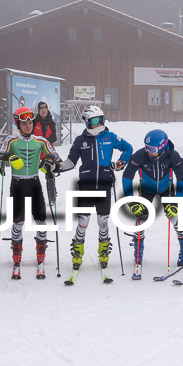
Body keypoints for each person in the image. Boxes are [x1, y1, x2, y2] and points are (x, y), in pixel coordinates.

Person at [60, 106, 133, 273]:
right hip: (86, 186)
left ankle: (103, 252)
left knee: (103, 222)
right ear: (87, 122)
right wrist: (57, 167)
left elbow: (128, 148)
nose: (99, 123)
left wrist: (121, 163)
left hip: (104, 185)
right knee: (83, 222)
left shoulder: (110, 136)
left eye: (101, 119)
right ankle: (78, 252)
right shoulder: (80, 140)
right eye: (95, 120)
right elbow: (70, 162)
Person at [0, 106, 64, 280]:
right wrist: (10, 158)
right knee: (17, 221)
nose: (28, 126)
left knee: (40, 220)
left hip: (34, 183)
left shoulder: (40, 140)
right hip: (17, 184)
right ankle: (16, 255)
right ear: (17, 124)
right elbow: (0, 154)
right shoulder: (11, 140)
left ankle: (40, 255)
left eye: (30, 122)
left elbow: (56, 157)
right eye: (24, 123)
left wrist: (50, 162)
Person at [122, 130, 183, 272]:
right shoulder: (140, 155)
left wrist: (177, 202)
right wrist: (131, 201)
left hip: (167, 189)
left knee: (174, 216)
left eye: (152, 149)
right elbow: (127, 177)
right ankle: (138, 250)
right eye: (147, 147)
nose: (148, 151)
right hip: (147, 189)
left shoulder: (173, 156)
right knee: (142, 217)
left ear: (162, 146)